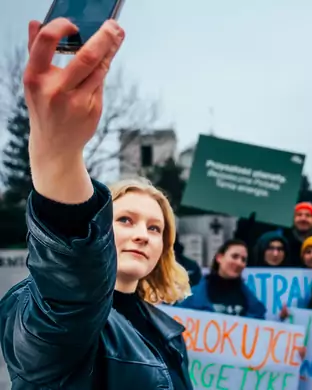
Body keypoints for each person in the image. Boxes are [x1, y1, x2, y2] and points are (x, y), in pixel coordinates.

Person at [0, 19, 193, 389]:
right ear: (100, 230)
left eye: (155, 228)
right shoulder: (57, 314)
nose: (142, 235)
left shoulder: (168, 331)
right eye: (126, 220)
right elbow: (70, 285)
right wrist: (58, 155)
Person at [178, 239, 266, 319]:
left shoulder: (252, 303)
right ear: (219, 258)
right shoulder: (193, 297)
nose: (239, 262)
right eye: (234, 256)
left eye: (243, 260)